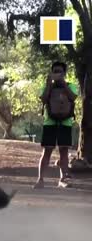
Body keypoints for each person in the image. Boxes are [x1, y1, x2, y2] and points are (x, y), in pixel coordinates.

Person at [34, 61, 79, 189]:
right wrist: (49, 84)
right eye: (55, 71)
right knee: (47, 151)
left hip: (66, 122)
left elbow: (73, 97)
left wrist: (64, 84)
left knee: (64, 151)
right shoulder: (47, 85)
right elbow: (43, 99)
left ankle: (63, 179)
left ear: (65, 73)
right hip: (50, 122)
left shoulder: (71, 85)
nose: (57, 74)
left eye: (60, 71)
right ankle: (40, 179)